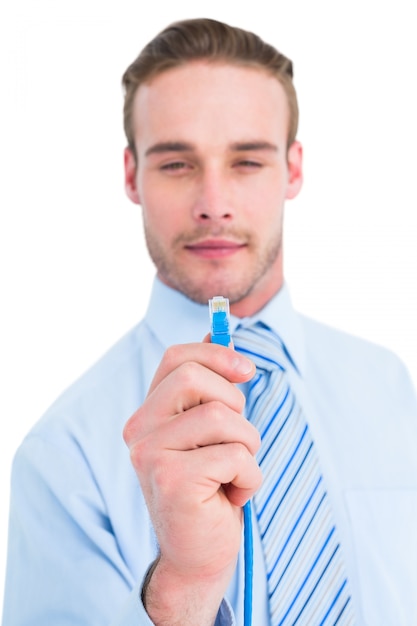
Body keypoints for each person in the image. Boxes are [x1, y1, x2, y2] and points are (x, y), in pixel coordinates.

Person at [2, 17, 417, 626]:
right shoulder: (62, 456)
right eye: (176, 164)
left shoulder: (391, 388)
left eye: (247, 161)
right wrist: (183, 588)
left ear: (293, 169)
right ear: (130, 175)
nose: (214, 201)